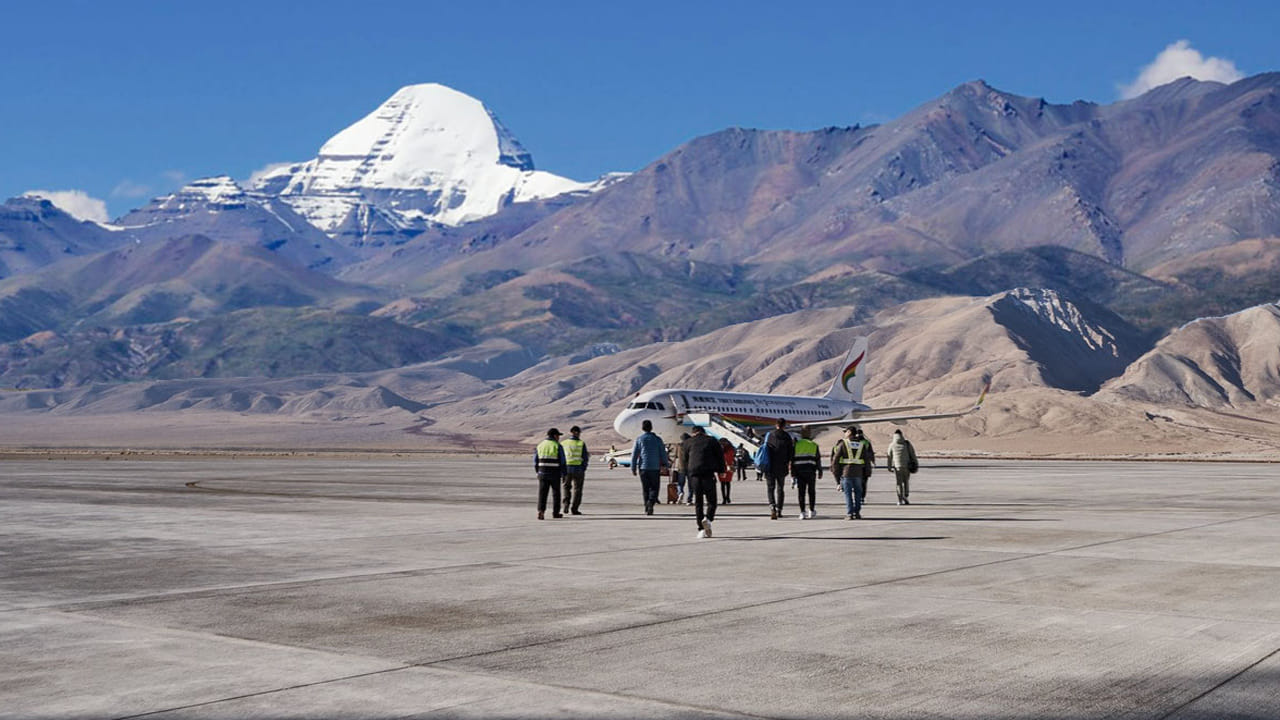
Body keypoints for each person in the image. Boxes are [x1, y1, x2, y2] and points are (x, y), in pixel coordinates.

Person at [681, 425, 725, 538]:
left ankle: (701, 529)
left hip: (694, 475)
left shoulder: (687, 443)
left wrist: (687, 473)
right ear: (704, 432)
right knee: (712, 501)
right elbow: (720, 456)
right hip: (708, 474)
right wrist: (721, 471)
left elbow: (684, 460)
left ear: (693, 433)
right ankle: (708, 519)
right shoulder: (711, 441)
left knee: (698, 502)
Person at [830, 425, 871, 519]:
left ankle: (849, 513)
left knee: (848, 494)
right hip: (858, 473)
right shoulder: (862, 444)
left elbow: (835, 460)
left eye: (845, 432)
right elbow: (866, 460)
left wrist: (835, 473)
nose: (844, 434)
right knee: (858, 494)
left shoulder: (843, 444)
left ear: (849, 433)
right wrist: (867, 473)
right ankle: (857, 512)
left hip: (846, 473)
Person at [630, 419, 670, 515]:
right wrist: (666, 464)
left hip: (643, 468)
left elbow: (634, 454)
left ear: (642, 428)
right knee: (655, 488)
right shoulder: (657, 439)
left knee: (645, 488)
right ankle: (651, 502)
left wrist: (633, 468)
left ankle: (646, 507)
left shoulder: (639, 439)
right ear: (651, 428)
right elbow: (663, 453)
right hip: (655, 468)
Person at [763, 418, 794, 519]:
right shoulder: (787, 436)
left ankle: (772, 507)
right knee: (780, 489)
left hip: (770, 466)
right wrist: (789, 462)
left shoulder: (770, 435)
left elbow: (765, 449)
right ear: (784, 426)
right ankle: (779, 510)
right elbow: (791, 453)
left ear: (776, 425)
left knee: (770, 488)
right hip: (782, 466)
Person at [790, 426, 822, 519]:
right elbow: (817, 459)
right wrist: (819, 471)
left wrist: (792, 473)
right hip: (810, 471)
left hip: (799, 471)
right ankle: (811, 510)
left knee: (801, 493)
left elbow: (792, 459)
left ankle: (802, 512)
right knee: (811, 492)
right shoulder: (814, 445)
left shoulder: (796, 445)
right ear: (810, 433)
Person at [534, 428, 566, 520]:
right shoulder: (557, 445)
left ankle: (541, 511)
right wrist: (564, 473)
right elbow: (562, 461)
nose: (559, 438)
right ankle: (556, 513)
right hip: (554, 473)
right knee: (556, 494)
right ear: (555, 436)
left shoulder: (540, 445)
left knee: (542, 493)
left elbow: (535, 461)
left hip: (542, 473)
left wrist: (538, 471)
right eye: (558, 436)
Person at [560, 426, 590, 515]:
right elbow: (585, 457)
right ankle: (574, 508)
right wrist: (584, 467)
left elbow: (561, 457)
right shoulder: (581, 443)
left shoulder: (564, 443)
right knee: (578, 490)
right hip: (578, 469)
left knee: (566, 487)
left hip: (567, 468)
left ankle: (566, 505)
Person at [885, 429, 919, 505]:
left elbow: (889, 457)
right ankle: (906, 496)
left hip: (898, 467)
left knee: (899, 483)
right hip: (907, 466)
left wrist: (889, 467)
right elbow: (913, 454)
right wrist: (916, 464)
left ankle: (900, 499)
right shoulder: (907, 444)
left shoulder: (892, 445)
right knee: (906, 482)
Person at [673, 433, 690, 503]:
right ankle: (689, 499)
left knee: (680, 483)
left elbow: (675, 456)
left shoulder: (678, 446)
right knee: (690, 484)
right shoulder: (690, 446)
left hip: (681, 466)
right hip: (690, 466)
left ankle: (680, 492)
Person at [718, 437, 735, 504]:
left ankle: (725, 498)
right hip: (729, 467)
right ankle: (727, 497)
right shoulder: (731, 448)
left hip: (723, 467)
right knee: (727, 483)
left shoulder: (721, 449)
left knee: (723, 483)